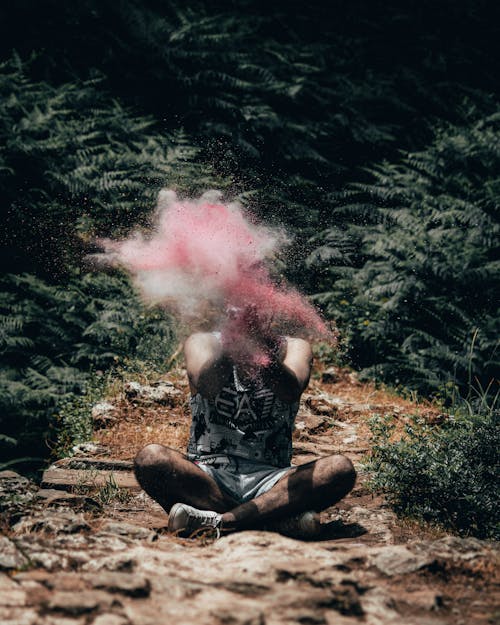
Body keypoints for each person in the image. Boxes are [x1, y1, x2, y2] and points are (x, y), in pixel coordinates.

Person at [134, 319, 356, 539]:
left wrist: (260, 351)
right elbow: (206, 385)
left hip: (272, 482)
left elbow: (291, 390)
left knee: (339, 469)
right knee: (150, 459)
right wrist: (235, 344)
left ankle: (224, 522)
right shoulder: (201, 342)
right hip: (208, 477)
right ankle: (271, 520)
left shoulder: (295, 347)